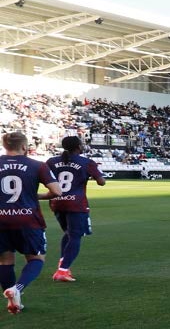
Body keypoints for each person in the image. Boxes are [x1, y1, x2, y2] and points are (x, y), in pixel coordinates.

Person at [0, 131, 62, 314]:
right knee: (36, 259)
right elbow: (57, 191)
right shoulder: (37, 165)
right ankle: (17, 289)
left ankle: (13, 299)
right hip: (28, 220)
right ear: (25, 146)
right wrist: (39, 196)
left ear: (5, 146)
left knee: (4, 261)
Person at [46, 135, 105, 282]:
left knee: (68, 233)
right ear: (78, 146)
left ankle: (63, 264)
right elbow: (101, 182)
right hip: (76, 204)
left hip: (57, 202)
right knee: (76, 236)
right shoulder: (87, 162)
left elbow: (45, 179)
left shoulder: (51, 161)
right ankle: (62, 271)